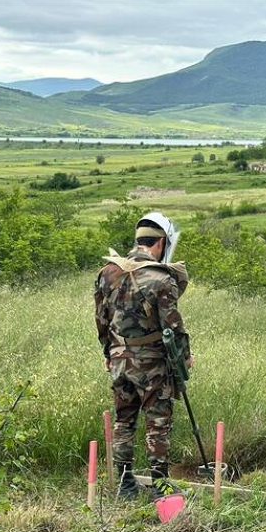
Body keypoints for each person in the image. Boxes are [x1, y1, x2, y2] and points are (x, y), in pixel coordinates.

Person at [94, 212, 192, 499]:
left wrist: (109, 353)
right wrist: (184, 358)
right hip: (152, 362)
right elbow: (173, 327)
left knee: (124, 420)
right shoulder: (162, 278)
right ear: (160, 243)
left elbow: (101, 320)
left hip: (118, 358)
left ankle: (125, 484)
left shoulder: (106, 273)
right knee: (157, 422)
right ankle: (160, 485)